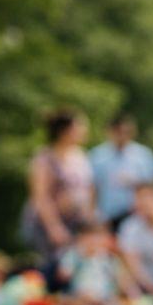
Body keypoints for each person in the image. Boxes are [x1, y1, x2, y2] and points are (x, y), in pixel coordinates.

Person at [23, 109, 95, 270]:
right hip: (48, 225)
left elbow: (89, 189)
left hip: (75, 222)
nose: (84, 131)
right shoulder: (44, 158)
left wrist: (89, 218)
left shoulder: (80, 156)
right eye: (80, 126)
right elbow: (40, 196)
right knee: (52, 267)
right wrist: (53, 227)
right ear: (65, 131)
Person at [88, 113, 153, 233]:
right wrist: (93, 214)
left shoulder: (144, 155)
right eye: (118, 132)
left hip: (138, 216)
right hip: (108, 216)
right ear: (110, 132)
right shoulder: (97, 156)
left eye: (126, 132)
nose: (122, 136)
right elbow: (92, 188)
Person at [56, 222, 139, 305]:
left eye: (98, 238)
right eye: (90, 239)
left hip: (105, 295)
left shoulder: (109, 258)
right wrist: (79, 258)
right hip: (80, 294)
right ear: (81, 239)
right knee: (78, 297)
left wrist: (130, 291)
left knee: (115, 299)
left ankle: (98, 304)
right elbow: (63, 275)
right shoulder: (75, 254)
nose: (94, 242)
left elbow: (122, 279)